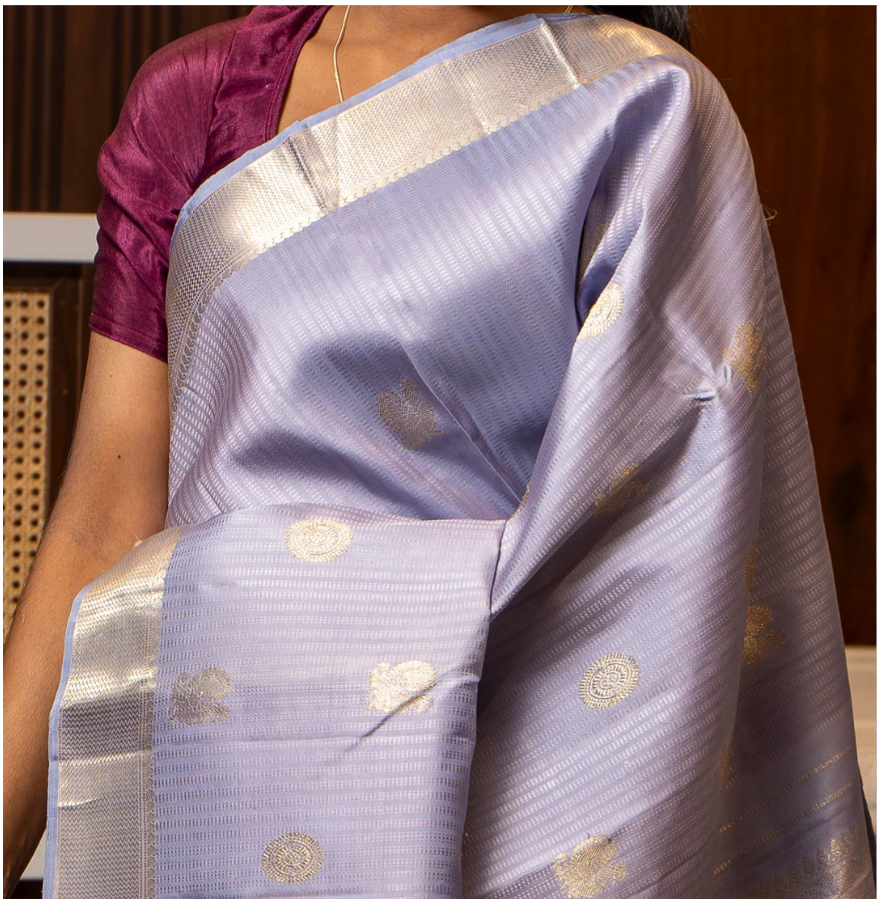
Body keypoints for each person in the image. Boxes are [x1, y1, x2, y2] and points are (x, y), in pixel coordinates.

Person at [3, 5, 875, 898]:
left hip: (523, 804)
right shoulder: (202, 100)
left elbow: (668, 560)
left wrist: (249, 577)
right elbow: (104, 521)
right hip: (221, 781)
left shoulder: (645, 105)